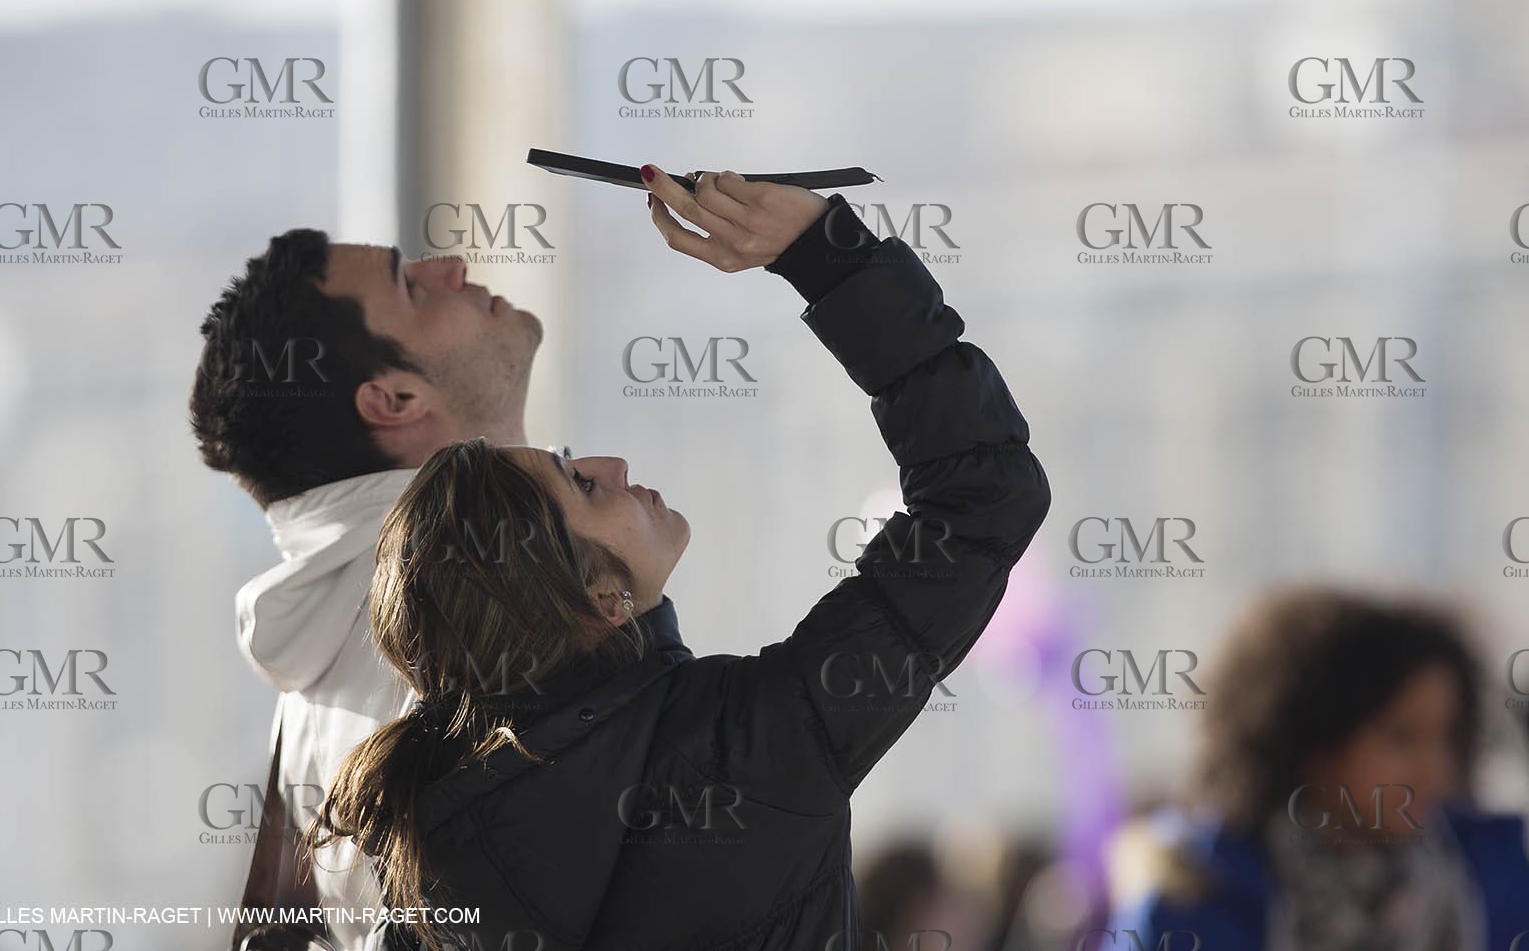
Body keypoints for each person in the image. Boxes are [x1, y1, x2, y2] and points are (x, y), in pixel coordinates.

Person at [311, 165, 1053, 950]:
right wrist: (824, 253)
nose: (615, 468)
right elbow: (983, 495)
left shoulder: (427, 850)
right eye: (580, 483)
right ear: (601, 599)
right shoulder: (753, 746)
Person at [189, 227, 542, 950]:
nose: (450, 267)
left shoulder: (315, 677)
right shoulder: (475, 594)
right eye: (410, 286)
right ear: (394, 398)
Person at [1108, 585, 1529, 951]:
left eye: (1446, 737)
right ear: (1316, 742)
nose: (1434, 767)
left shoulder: (1500, 887)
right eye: (1401, 737)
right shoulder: (1195, 900)